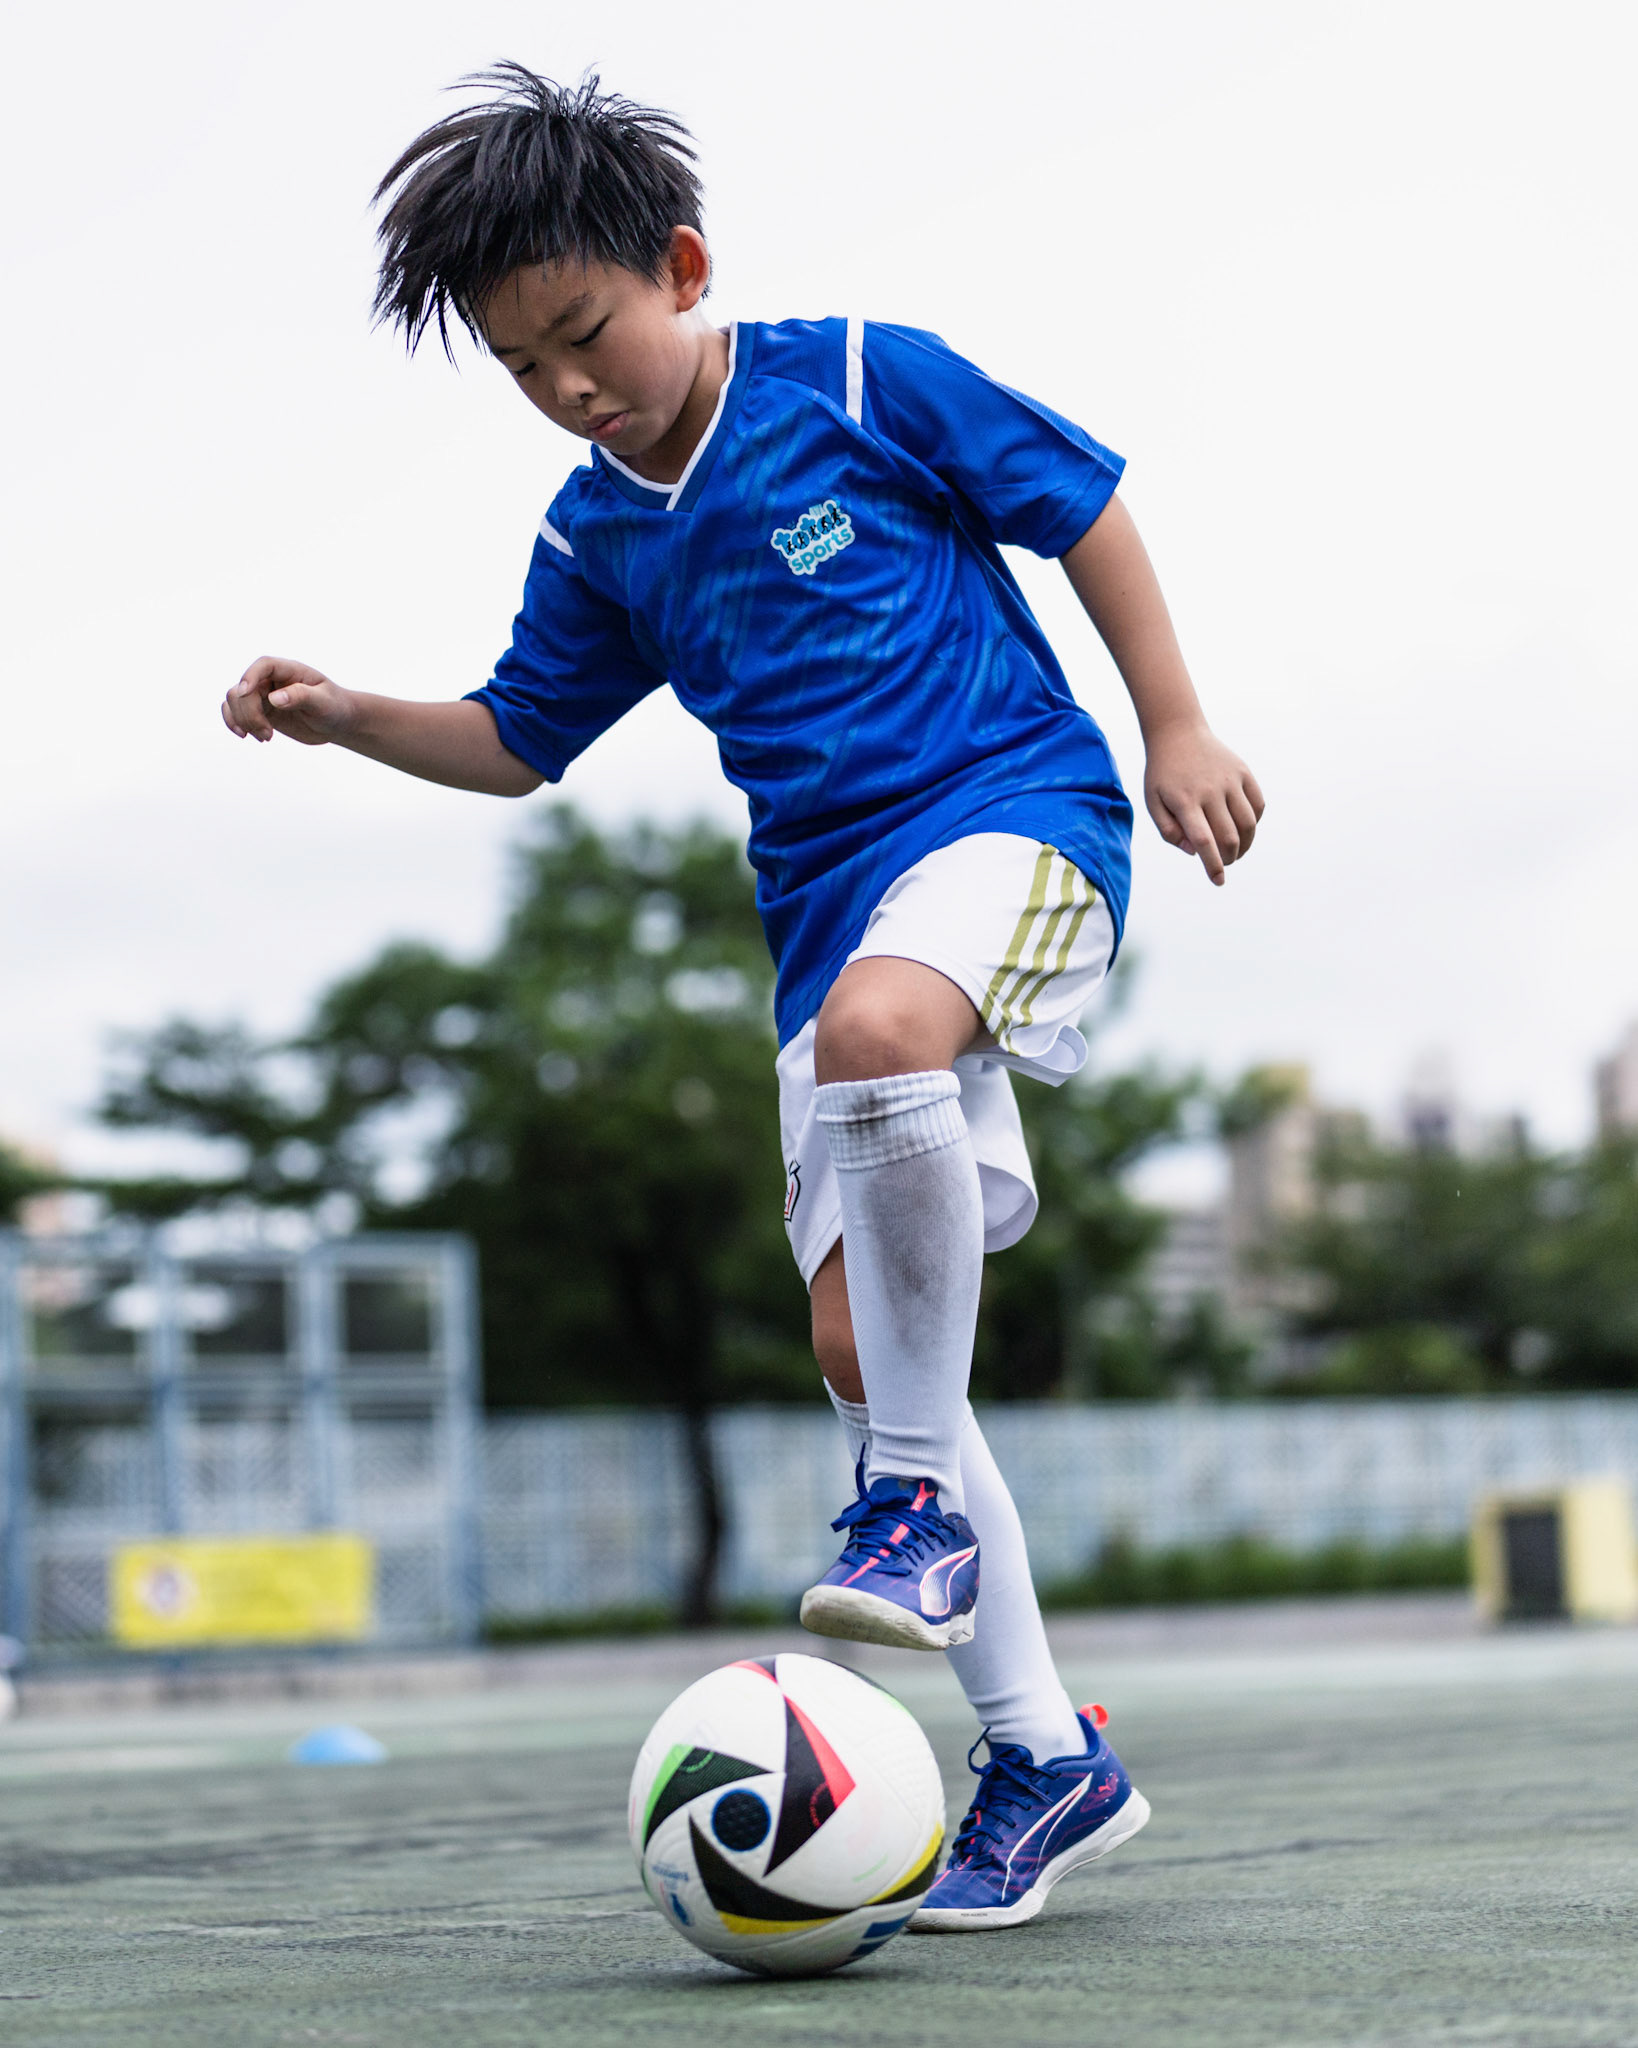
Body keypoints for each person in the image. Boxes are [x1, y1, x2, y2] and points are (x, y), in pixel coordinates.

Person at [222, 64, 1264, 1931]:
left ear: (680, 264)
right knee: (873, 1359)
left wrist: (1172, 720)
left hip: (1016, 822)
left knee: (885, 1097)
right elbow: (516, 738)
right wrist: (348, 712)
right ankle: (1044, 1757)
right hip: (825, 923)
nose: (566, 386)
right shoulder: (594, 532)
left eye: (583, 332)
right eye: (521, 366)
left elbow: (1085, 505)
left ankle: (915, 1512)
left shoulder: (861, 378)